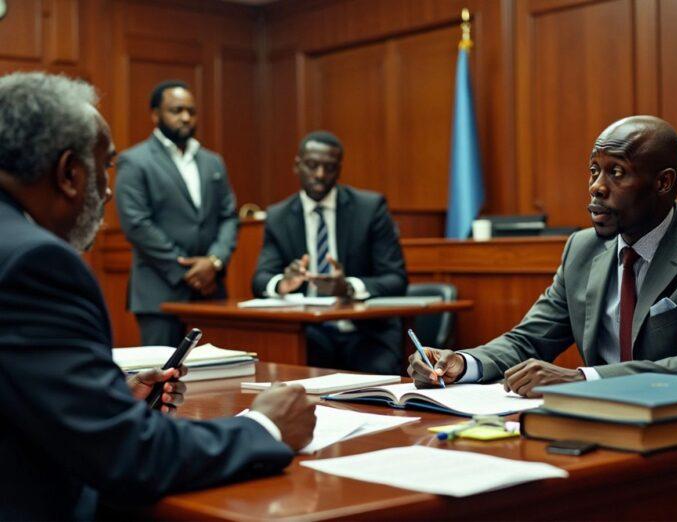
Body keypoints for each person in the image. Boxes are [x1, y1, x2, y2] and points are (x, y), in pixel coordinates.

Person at [0, 72, 315, 521]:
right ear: (70, 173)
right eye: (104, 167)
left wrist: (103, 401)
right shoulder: (35, 264)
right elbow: (129, 457)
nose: (108, 190)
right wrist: (263, 426)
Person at [409, 115, 677, 396]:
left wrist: (582, 378)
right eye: (594, 170)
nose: (596, 187)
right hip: (599, 419)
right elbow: (529, 340)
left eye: (617, 172)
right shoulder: (583, 249)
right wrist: (462, 364)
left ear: (663, 183)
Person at [252, 130, 408, 374]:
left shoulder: (369, 208)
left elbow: (396, 279)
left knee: (377, 386)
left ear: (340, 169)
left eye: (329, 168)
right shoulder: (279, 216)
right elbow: (260, 280)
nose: (320, 175)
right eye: (312, 166)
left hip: (366, 334)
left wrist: (347, 288)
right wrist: (284, 283)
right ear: (297, 165)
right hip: (309, 335)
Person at [115, 80, 238, 346]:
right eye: (176, 110)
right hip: (160, 293)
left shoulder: (212, 161)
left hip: (211, 292)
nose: (185, 117)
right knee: (162, 380)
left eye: (191, 111)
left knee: (217, 378)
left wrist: (213, 262)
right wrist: (188, 272)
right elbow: (136, 224)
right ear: (155, 114)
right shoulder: (135, 161)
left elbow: (229, 215)